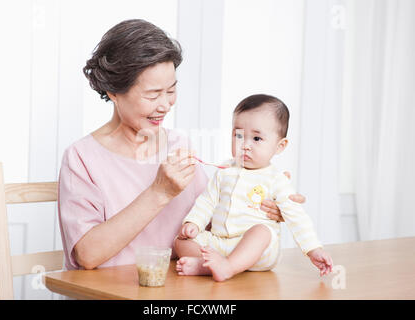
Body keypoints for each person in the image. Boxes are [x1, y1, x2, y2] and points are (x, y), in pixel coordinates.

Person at [57, 19, 302, 271]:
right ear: (113, 92)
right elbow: (87, 255)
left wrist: (263, 203)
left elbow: (212, 226)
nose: (165, 105)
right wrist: (159, 192)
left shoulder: (178, 145)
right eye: (153, 94)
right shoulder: (82, 157)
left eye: (171, 90)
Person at [175, 94, 333, 281]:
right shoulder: (224, 171)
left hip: (257, 252)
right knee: (181, 241)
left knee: (261, 232)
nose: (245, 145)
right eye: (239, 135)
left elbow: (297, 217)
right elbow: (207, 202)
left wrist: (313, 249)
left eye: (257, 139)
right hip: (220, 243)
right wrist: (193, 223)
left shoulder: (277, 180)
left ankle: (228, 267)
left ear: (279, 146)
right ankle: (208, 265)